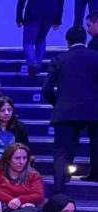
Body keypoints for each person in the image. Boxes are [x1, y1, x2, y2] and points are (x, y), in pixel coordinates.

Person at [42, 26, 98, 193]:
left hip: (65, 111)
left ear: (67, 41)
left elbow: (46, 89)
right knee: (96, 144)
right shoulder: (96, 57)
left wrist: (58, 103)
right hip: (94, 111)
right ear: (85, 40)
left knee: (61, 152)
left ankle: (59, 190)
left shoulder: (59, 59)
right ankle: (95, 176)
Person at [0, 143, 44, 209]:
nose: (22, 162)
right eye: (17, 158)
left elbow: (39, 195)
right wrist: (14, 202)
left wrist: (20, 200)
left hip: (27, 209)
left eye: (24, 158)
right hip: (5, 209)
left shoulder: (33, 174)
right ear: (8, 159)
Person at [17, 0, 64, 77]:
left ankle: (33, 65)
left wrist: (18, 17)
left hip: (33, 10)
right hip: (51, 11)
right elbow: (61, 1)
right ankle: (37, 66)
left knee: (28, 42)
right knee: (41, 40)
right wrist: (58, 20)